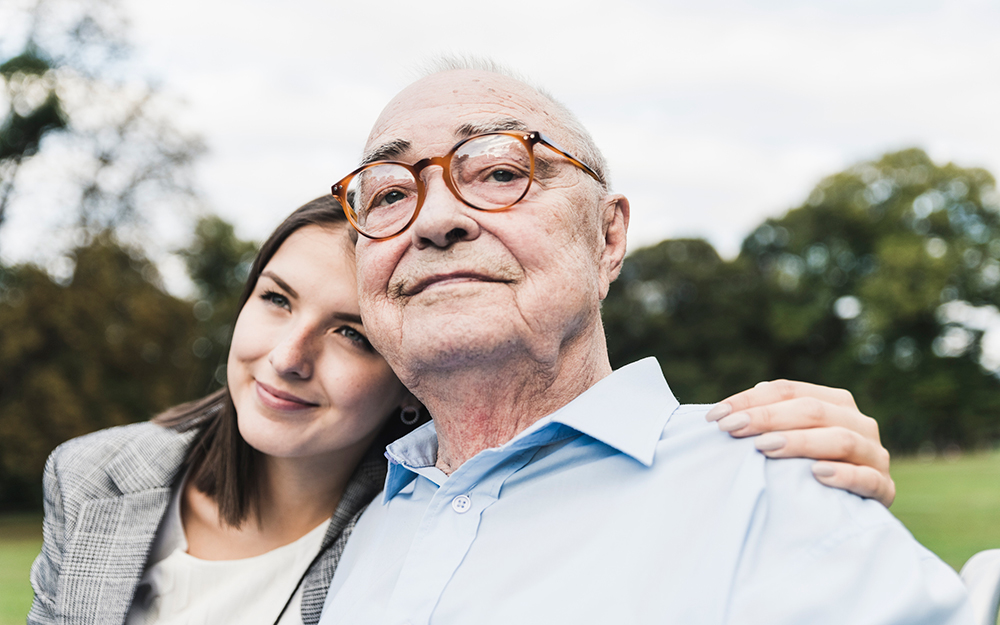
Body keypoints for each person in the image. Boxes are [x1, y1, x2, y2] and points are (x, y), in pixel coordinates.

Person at [318, 63, 970, 624]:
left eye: (497, 170)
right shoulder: (351, 531)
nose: (435, 219)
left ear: (607, 237)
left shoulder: (771, 493)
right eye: (390, 192)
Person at [28, 198, 422, 625]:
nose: (287, 358)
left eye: (351, 333)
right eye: (276, 298)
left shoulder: (417, 540)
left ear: (413, 383)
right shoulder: (90, 476)